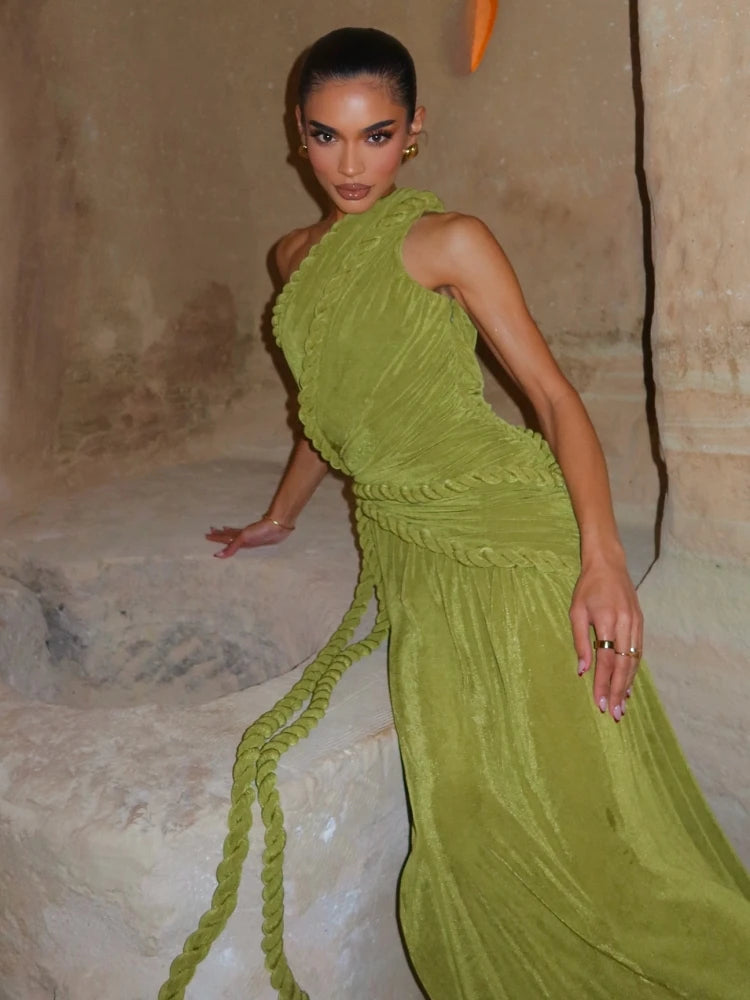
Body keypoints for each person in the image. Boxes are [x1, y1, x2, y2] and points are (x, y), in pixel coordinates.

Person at [160, 26, 750, 1000]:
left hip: (507, 526)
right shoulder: (292, 257)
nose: (352, 164)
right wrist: (281, 514)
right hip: (407, 543)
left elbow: (552, 397)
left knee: (575, 832)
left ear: (415, 130)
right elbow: (329, 412)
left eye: (377, 135)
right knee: (463, 825)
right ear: (298, 134)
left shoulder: (449, 241)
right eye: (327, 136)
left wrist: (603, 558)